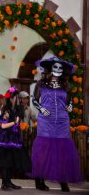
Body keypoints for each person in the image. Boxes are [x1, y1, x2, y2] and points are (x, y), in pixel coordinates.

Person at [31, 56, 83, 192]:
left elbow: (70, 101)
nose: (58, 69)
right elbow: (34, 100)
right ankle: (39, 180)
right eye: (55, 67)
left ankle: (63, 181)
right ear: (50, 68)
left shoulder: (66, 85)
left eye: (60, 68)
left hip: (62, 120)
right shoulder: (41, 84)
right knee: (43, 151)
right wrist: (41, 109)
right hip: (45, 120)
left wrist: (70, 106)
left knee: (63, 151)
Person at [0, 87, 31, 190]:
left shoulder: (18, 109)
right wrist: (14, 122)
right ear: (11, 98)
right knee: (6, 161)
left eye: (18, 97)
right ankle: (4, 183)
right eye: (15, 97)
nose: (18, 99)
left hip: (14, 137)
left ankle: (8, 181)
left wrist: (17, 123)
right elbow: (3, 126)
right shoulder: (6, 109)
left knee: (12, 161)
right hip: (5, 138)